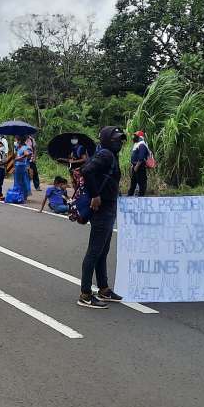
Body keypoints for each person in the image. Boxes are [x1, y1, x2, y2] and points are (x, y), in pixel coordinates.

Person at [78, 126, 126, 309]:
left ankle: (104, 289)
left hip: (108, 207)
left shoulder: (109, 155)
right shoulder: (106, 154)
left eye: (121, 139)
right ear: (106, 140)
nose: (119, 142)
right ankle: (85, 294)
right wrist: (96, 195)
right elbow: (87, 170)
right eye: (115, 139)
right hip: (102, 208)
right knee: (94, 251)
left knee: (102, 251)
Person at [128, 131, 149, 197]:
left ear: (140, 137)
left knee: (141, 183)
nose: (134, 137)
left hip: (140, 167)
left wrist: (137, 166)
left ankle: (141, 197)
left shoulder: (142, 145)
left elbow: (141, 157)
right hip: (135, 167)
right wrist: (133, 166)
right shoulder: (137, 144)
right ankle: (130, 196)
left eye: (136, 136)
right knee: (133, 183)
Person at [13, 136, 32, 201]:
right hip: (19, 166)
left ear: (20, 141)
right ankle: (21, 195)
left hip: (21, 166)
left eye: (18, 141)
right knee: (21, 181)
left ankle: (22, 196)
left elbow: (27, 155)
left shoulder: (25, 148)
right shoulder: (19, 147)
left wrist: (20, 158)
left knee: (21, 182)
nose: (17, 142)